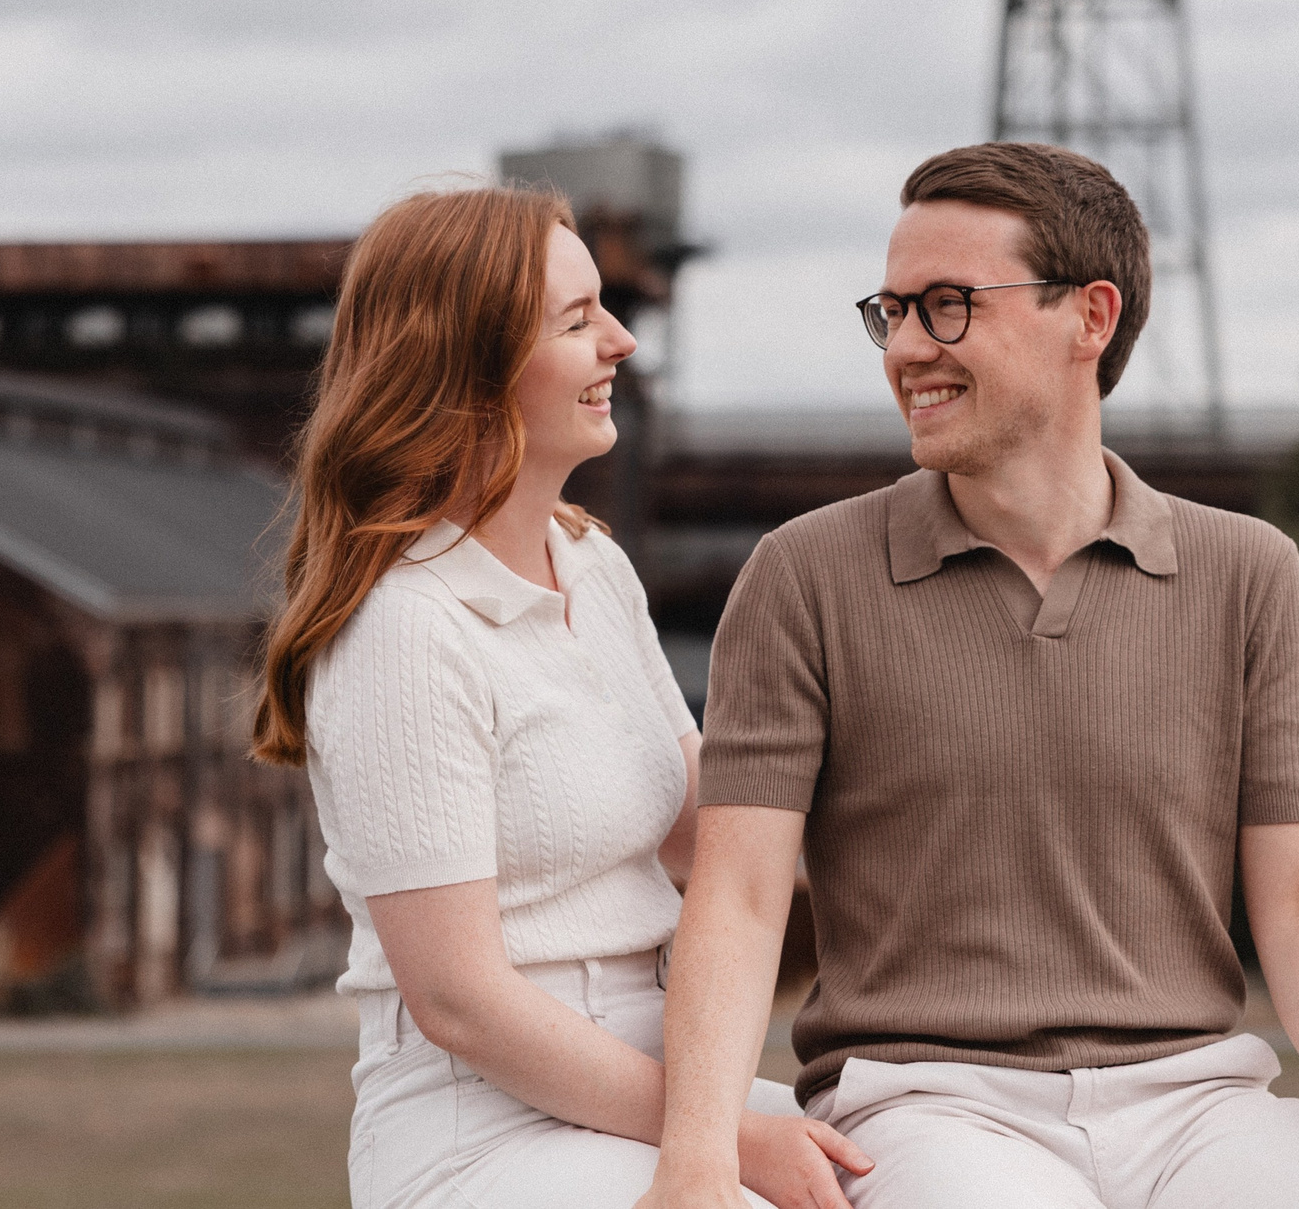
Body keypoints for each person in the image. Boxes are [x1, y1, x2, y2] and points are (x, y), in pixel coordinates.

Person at [639, 144, 1299, 1209]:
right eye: (893, 311)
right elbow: (736, 900)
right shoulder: (802, 576)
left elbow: (1298, 895)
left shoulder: (1250, 574)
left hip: (1201, 1102)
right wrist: (696, 1156)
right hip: (926, 1107)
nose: (908, 348)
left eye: (949, 306)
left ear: (1090, 317)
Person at [253, 184, 870, 1209]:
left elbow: (705, 832)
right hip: (483, 1124)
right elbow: (461, 1005)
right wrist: (721, 1141)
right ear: (471, 365)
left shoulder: (589, 564)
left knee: (911, 1166)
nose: (622, 342)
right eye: (578, 321)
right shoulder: (406, 627)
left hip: (655, 1075)